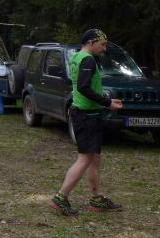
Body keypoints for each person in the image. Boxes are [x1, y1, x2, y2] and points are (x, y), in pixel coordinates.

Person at [50, 28, 124, 216]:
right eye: (103, 44)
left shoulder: (77, 57)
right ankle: (61, 198)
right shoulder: (88, 60)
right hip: (87, 115)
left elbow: (84, 86)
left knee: (94, 158)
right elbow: (84, 87)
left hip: (86, 113)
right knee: (85, 158)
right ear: (91, 42)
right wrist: (108, 103)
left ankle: (97, 198)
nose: (104, 49)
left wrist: (106, 101)